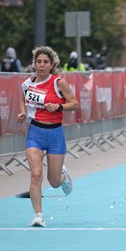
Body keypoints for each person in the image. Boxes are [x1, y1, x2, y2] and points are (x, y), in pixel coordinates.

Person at [17, 46, 79, 228]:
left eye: (45, 62)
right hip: (35, 133)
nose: (42, 65)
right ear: (34, 64)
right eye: (39, 62)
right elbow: (23, 99)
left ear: (52, 65)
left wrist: (59, 107)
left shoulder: (58, 83)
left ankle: (63, 177)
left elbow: (74, 104)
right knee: (36, 174)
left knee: (54, 182)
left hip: (55, 134)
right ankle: (38, 216)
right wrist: (23, 112)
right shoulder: (27, 84)